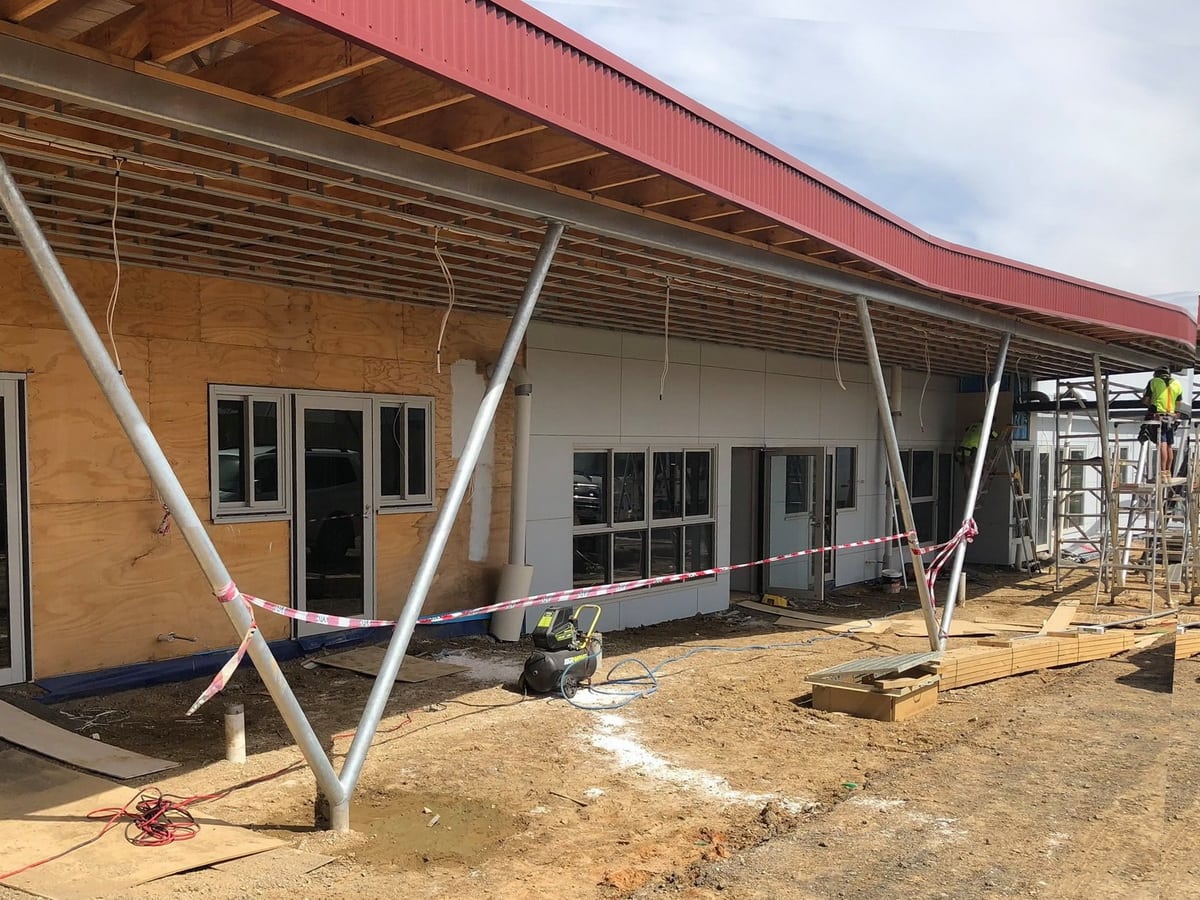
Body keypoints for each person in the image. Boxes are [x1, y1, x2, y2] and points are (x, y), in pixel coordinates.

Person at [1142, 365, 1184, 476]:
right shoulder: (1177, 383)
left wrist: (1149, 402)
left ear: (1157, 373)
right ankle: (1168, 471)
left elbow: (1146, 400)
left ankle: (1162, 471)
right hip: (1171, 416)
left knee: (1162, 444)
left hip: (1158, 416)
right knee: (1169, 444)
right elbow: (1179, 403)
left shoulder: (1154, 381)